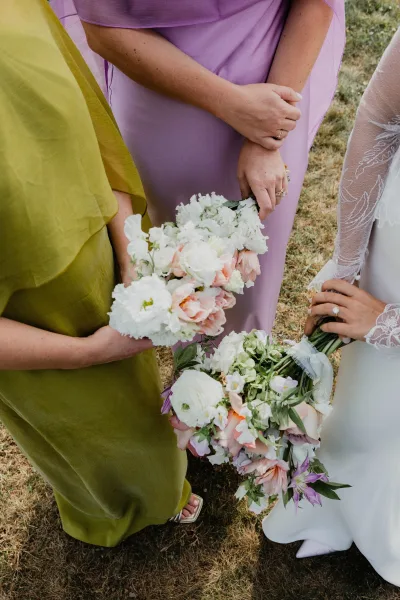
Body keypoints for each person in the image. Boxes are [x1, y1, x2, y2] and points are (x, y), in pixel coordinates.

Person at [0, 0, 201, 549]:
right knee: (71, 436)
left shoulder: (18, 11)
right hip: (18, 323)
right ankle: (97, 509)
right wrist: (86, 353)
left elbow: (95, 133)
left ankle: (162, 490)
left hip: (96, 267)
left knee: (136, 412)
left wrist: (131, 256)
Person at [51, 0, 345, 335]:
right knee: (177, 277)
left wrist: (267, 138)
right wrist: (234, 105)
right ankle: (191, 377)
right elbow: (103, 29)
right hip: (163, 101)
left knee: (248, 283)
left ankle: (234, 375)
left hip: (274, 84)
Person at [263, 26, 400, 586]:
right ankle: (347, 493)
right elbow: (377, 123)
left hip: (388, 313)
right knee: (365, 420)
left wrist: (388, 324)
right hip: (393, 259)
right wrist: (346, 271)